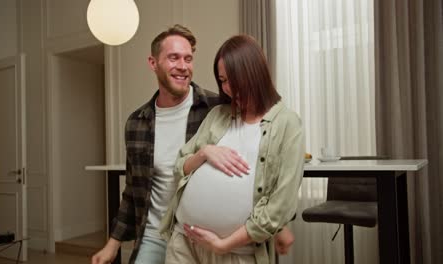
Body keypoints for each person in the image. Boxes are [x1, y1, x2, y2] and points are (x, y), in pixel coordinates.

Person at [91, 25, 294, 264]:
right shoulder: (137, 123)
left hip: (207, 235)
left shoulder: (218, 108)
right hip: (156, 232)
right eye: (173, 58)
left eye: (188, 58)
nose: (183, 66)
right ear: (153, 63)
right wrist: (112, 244)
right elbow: (133, 190)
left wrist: (280, 226)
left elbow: (257, 167)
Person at [160, 35, 305, 264]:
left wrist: (222, 245)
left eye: (235, 79)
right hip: (183, 242)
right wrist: (204, 152)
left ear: (255, 72)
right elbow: (180, 165)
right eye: (223, 80)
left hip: (235, 253)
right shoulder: (218, 115)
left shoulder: (287, 123)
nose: (229, 88)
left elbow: (280, 207)